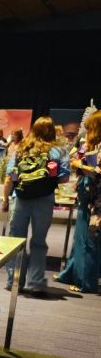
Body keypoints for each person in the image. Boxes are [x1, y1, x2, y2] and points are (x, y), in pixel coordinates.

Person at [2, 117, 70, 295]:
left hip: (20, 198)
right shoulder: (57, 151)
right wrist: (47, 180)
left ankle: (14, 280)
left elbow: (10, 175)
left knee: (16, 240)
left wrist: (7, 197)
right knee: (39, 242)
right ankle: (36, 283)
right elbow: (64, 177)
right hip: (44, 199)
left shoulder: (21, 148)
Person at [56, 109, 101, 293]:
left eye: (90, 128)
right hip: (86, 195)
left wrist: (80, 165)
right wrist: (77, 163)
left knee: (90, 241)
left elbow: (98, 172)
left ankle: (86, 283)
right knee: (80, 238)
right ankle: (70, 273)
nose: (87, 132)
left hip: (96, 201)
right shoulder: (89, 143)